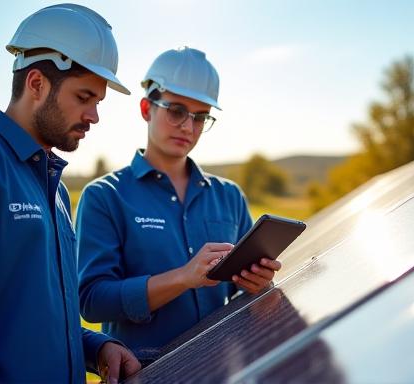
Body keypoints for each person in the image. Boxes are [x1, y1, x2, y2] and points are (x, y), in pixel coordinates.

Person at [0, 4, 140, 383]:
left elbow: (33, 317)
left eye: (97, 103)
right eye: (84, 97)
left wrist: (96, 346)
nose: (94, 116)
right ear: (36, 84)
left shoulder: (55, 189)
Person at [75, 47, 282, 363]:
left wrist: (261, 286)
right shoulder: (104, 197)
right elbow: (91, 300)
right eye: (176, 110)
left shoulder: (229, 196)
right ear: (146, 108)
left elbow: (244, 298)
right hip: (143, 373)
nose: (188, 126)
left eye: (200, 117)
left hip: (224, 370)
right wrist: (183, 278)